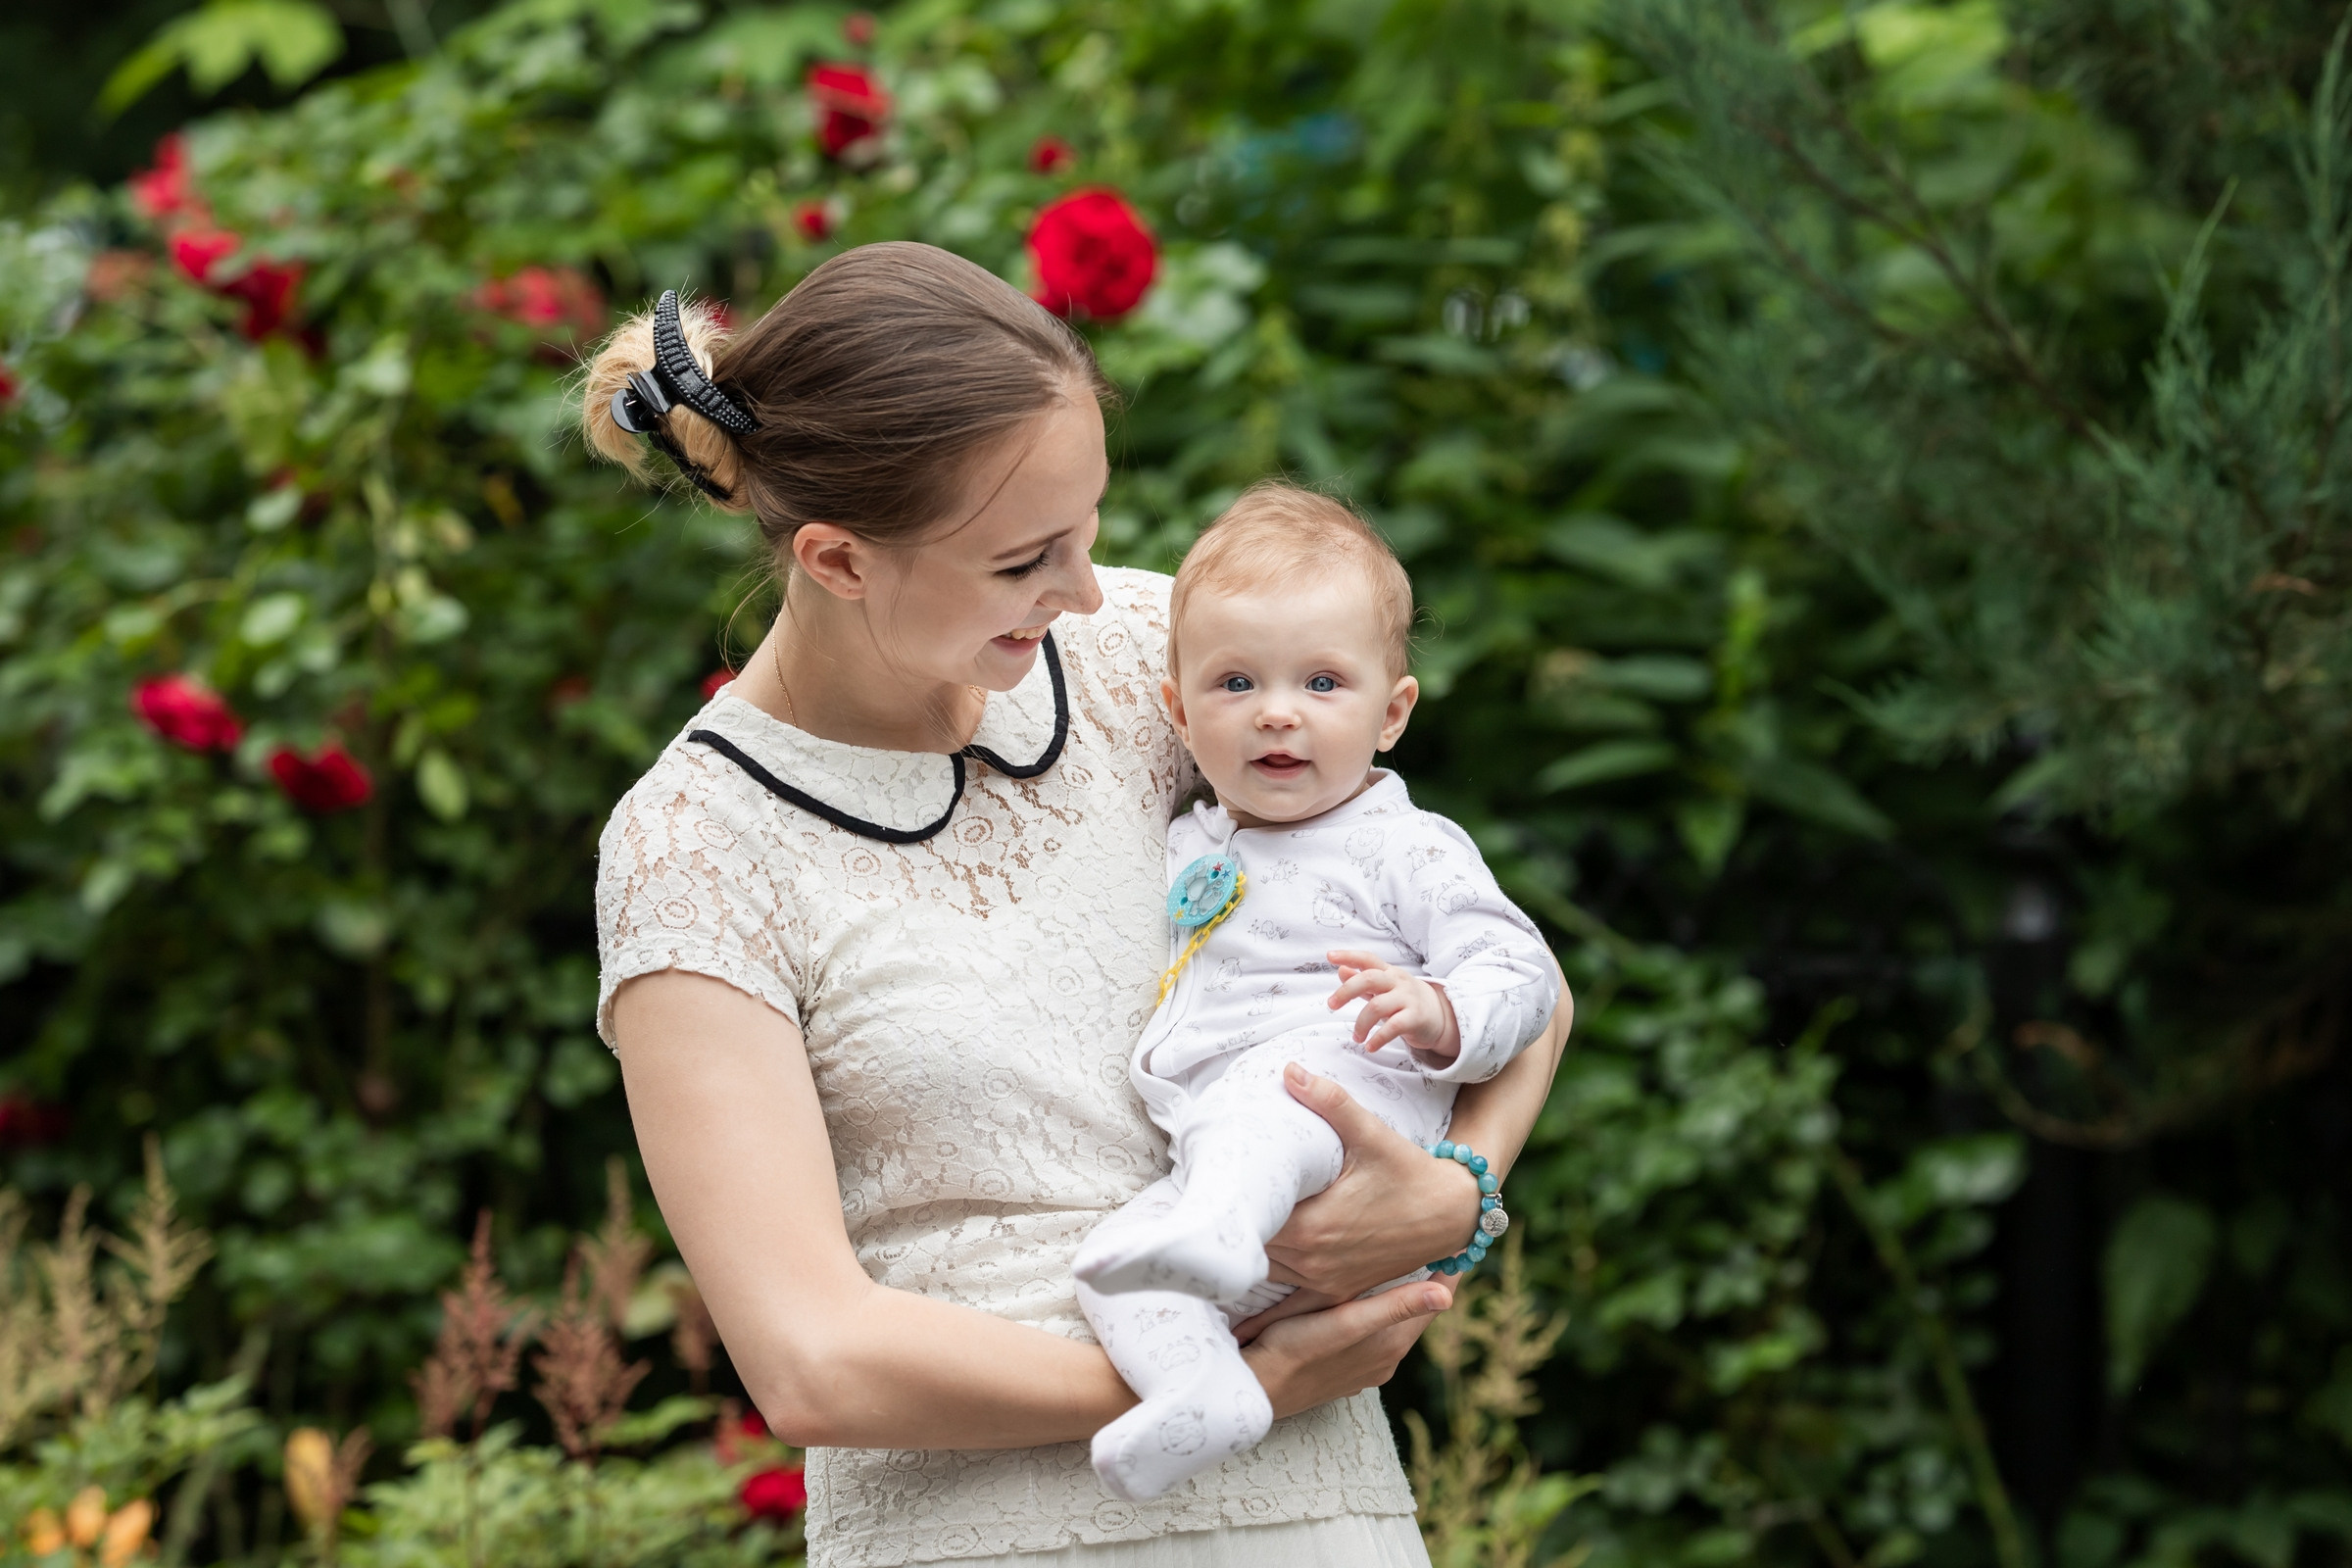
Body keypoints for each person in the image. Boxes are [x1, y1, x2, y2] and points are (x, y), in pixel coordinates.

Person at [582, 242, 1573, 1568]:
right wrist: (1225, 1385)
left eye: (1090, 530)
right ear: (838, 558)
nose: (1089, 593)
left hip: (1320, 1517)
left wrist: (1458, 1191)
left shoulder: (1147, 668)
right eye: (1025, 559)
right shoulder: (694, 846)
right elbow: (813, 1361)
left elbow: (1497, 959)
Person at [1073, 484, 1558, 1503]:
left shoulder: (1404, 846)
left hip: (1342, 1116)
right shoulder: (1190, 841)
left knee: (1267, 1104)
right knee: (1111, 1261)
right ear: (1179, 712)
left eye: (1323, 682)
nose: (1278, 711)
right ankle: (1212, 1392)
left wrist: (1443, 1017)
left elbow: (1520, 969)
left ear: (1392, 714)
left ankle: (1217, 1226)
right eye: (1237, 681)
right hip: (1238, 1174)